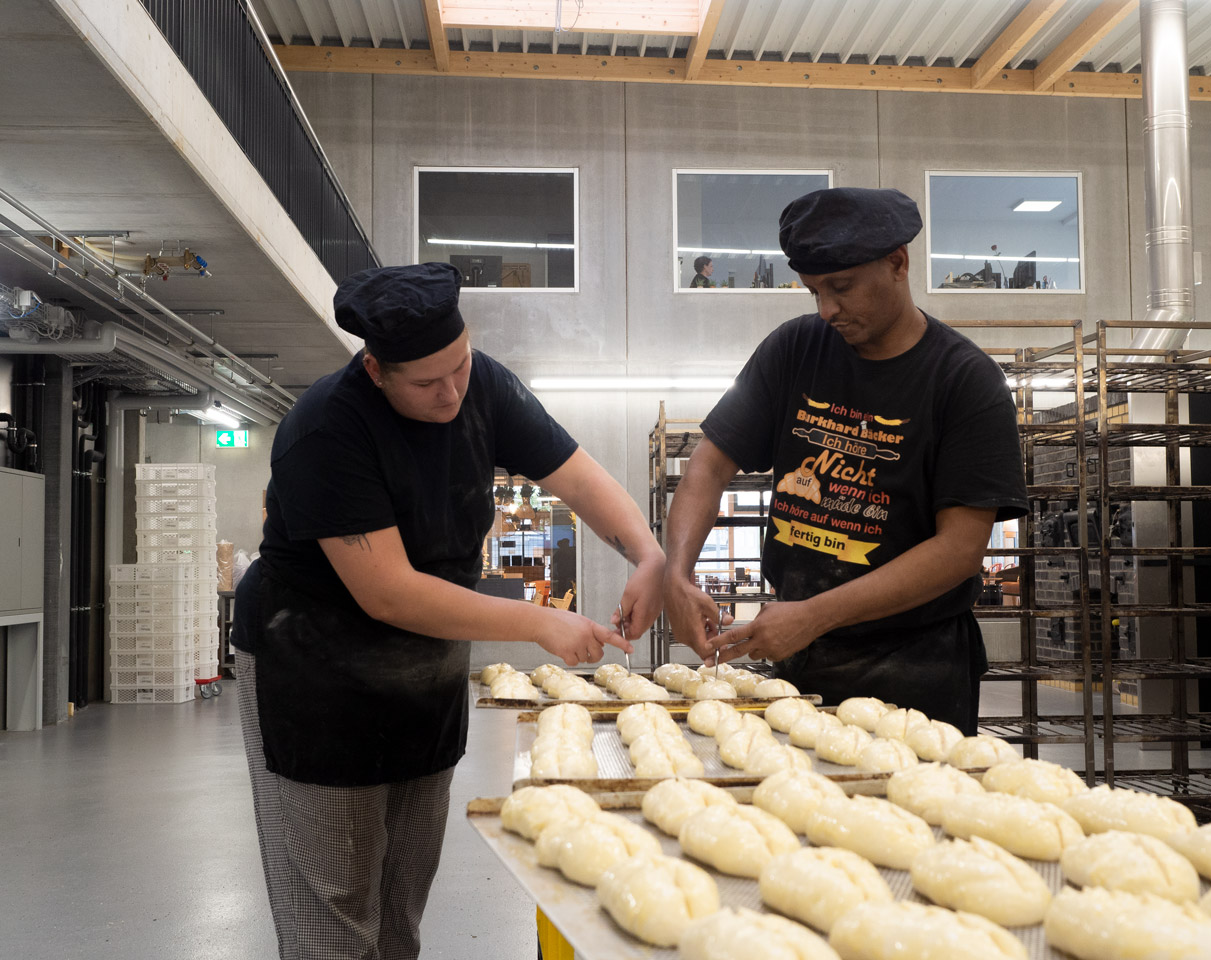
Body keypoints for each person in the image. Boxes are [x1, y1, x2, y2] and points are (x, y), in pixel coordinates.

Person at [233, 262, 664, 960]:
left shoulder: (482, 383)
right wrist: (540, 619)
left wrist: (648, 555)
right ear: (376, 370)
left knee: (404, 880)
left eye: (459, 367)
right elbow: (388, 592)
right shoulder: (325, 432)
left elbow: (577, 475)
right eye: (428, 383)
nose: (452, 392)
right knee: (337, 891)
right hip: (315, 664)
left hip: (424, 658)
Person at [662, 187, 1027, 734]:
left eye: (841, 287)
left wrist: (815, 614)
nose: (827, 309)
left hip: (915, 671)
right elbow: (708, 467)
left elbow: (959, 549)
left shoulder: (964, 382)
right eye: (813, 292)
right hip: (797, 661)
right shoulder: (794, 350)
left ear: (897, 263)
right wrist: (677, 573)